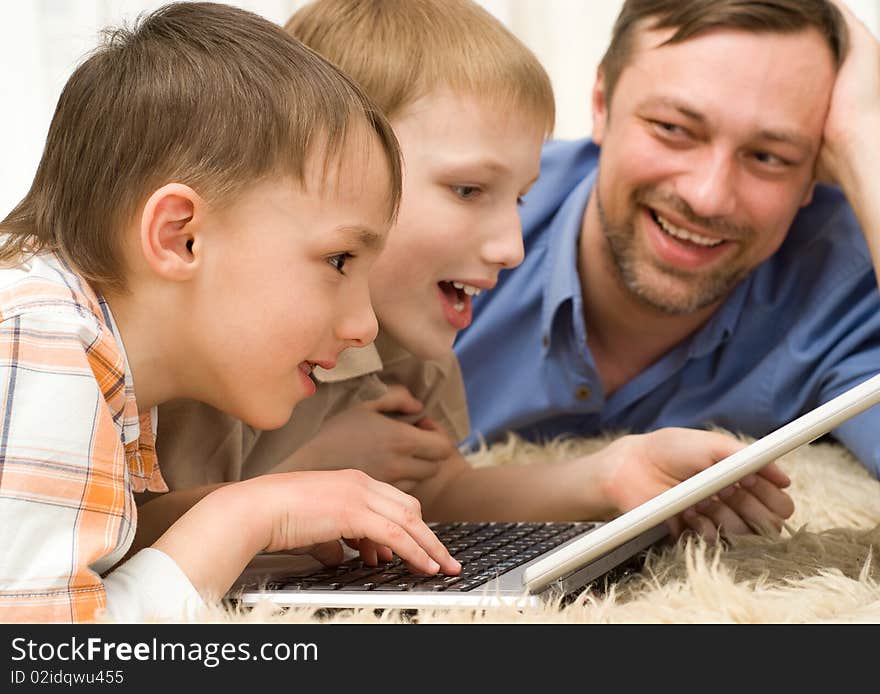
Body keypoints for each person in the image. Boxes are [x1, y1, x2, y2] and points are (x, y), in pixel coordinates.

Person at [144, 0, 793, 550]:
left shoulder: (409, 352)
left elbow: (439, 490)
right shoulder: (202, 335)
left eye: (517, 200)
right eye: (468, 189)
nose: (512, 249)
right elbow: (95, 540)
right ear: (338, 172)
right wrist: (299, 484)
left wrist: (611, 474)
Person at [0, 1, 460, 624]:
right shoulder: (42, 333)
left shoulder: (86, 336)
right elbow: (51, 659)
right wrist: (250, 514)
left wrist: (263, 508)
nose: (365, 327)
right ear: (180, 237)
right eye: (338, 260)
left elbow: (84, 554)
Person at [455, 0, 880, 480]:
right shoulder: (449, 215)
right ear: (601, 103)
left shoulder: (844, 286)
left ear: (815, 174)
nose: (708, 197)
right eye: (672, 129)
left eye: (769, 157)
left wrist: (867, 142)